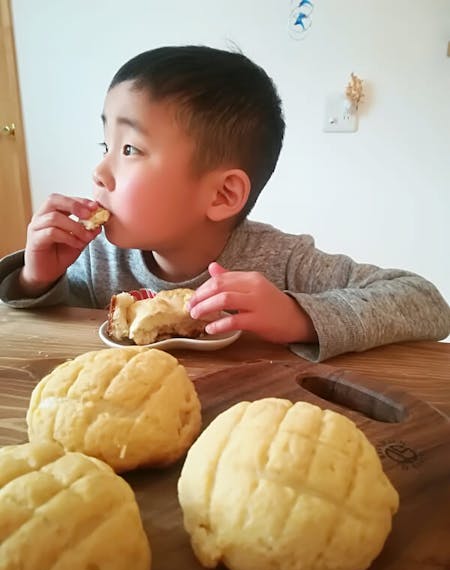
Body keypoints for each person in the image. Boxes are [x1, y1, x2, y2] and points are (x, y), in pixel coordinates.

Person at [0, 46, 448, 361]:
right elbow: (53, 335)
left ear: (222, 195)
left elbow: (425, 303)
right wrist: (37, 279)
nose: (99, 171)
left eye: (130, 149)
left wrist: (297, 316)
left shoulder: (282, 261)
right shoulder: (99, 258)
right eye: (105, 143)